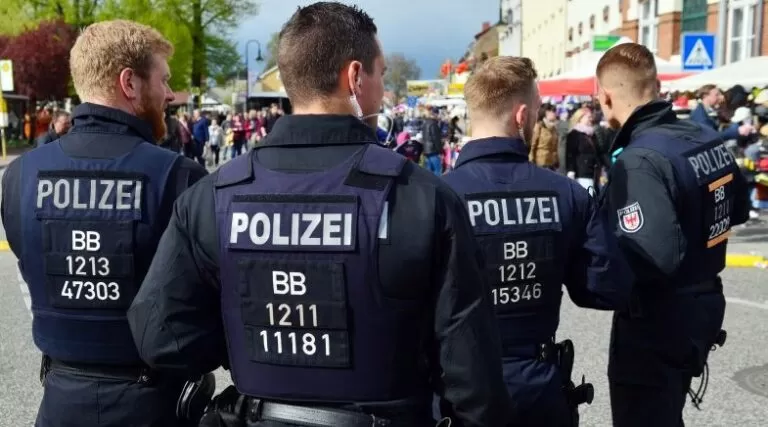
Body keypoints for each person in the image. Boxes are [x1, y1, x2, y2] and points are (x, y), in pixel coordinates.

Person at [127, 3, 514, 427]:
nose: (382, 89)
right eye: (381, 74)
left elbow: (159, 334)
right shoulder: (422, 196)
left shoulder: (212, 197)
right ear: (355, 77)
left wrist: (244, 335)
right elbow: (473, 376)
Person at [0, 20, 208, 427]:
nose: (169, 94)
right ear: (129, 83)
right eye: (164, 80)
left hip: (60, 403)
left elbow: (32, 273)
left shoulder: (20, 175)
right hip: (155, 406)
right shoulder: (180, 177)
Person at [442, 56, 633, 427]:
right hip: (538, 389)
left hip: (458, 391)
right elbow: (605, 288)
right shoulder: (567, 194)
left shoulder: (435, 196)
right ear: (522, 115)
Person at [595, 43, 750, 427]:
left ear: (606, 97)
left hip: (657, 324)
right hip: (702, 307)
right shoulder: (702, 134)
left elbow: (653, 258)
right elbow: (739, 209)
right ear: (657, 85)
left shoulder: (638, 160)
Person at [529, 104, 559, 170]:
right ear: (545, 113)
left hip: (552, 164)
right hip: (540, 163)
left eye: (554, 111)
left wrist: (557, 160)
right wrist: (531, 161)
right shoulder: (538, 126)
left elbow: (555, 147)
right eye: (552, 111)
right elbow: (532, 146)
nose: (554, 113)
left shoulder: (554, 128)